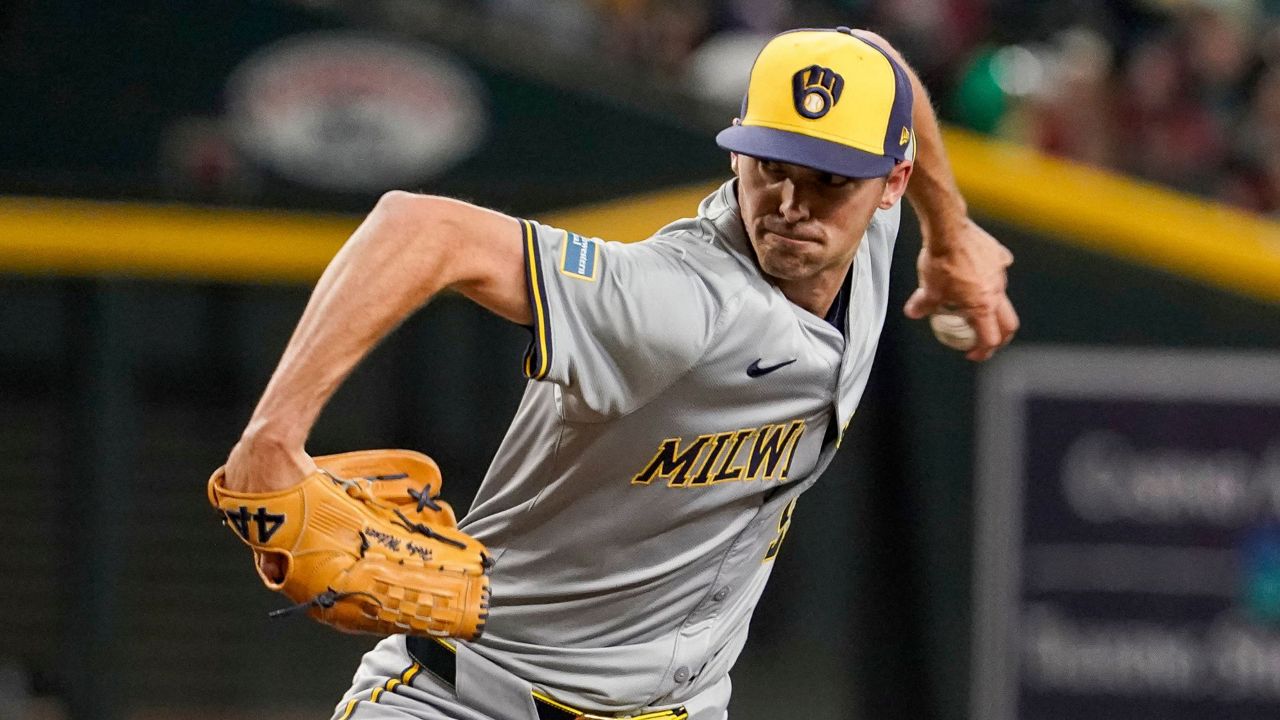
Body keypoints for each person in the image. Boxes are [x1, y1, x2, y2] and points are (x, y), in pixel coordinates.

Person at [221, 26, 1017, 720]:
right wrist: (271, 439)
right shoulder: (677, 300)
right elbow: (420, 227)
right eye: (769, 163)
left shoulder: (869, 242)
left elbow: (881, 66)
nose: (789, 201)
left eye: (829, 179)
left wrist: (949, 235)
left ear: (893, 184)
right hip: (468, 701)